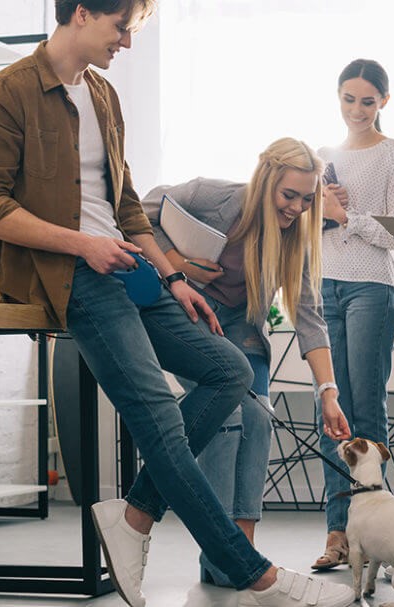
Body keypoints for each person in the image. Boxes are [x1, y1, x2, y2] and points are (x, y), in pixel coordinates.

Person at [0, 3, 354, 606]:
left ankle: (136, 515)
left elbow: (125, 208)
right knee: (163, 423)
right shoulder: (5, 93)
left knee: (227, 370)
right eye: (121, 28)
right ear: (83, 13)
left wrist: (173, 278)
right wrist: (85, 246)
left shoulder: (103, 96)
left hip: (131, 270)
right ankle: (256, 577)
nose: (126, 42)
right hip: (73, 276)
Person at [139, 137, 350, 587]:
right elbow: (139, 213)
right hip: (188, 311)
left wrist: (328, 392)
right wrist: (176, 264)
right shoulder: (213, 197)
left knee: (258, 418)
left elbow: (310, 318)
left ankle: (240, 554)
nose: (296, 207)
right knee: (226, 414)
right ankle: (224, 553)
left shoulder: (298, 237)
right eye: (288, 195)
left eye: (307, 199)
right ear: (267, 180)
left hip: (241, 325)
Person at [310, 58, 394, 571]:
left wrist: (345, 215)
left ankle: (375, 536)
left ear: (383, 103)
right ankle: (338, 533)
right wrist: (318, 210)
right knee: (331, 410)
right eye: (348, 99)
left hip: (372, 285)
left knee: (366, 411)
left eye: (367, 101)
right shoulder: (323, 156)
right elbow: (301, 228)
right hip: (323, 285)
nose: (356, 110)